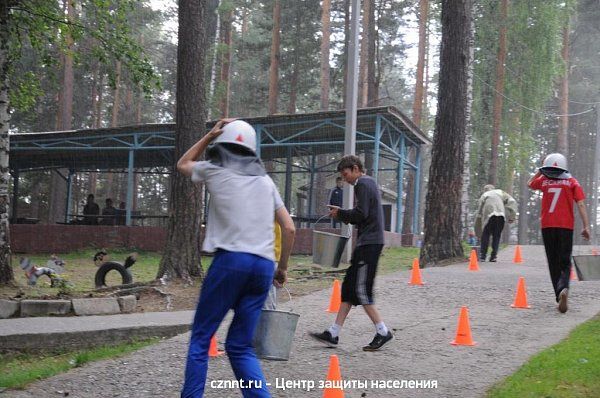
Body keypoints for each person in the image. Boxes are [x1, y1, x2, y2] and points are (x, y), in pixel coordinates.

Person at [177, 119, 295, 397]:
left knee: (201, 339)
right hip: (263, 267)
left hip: (232, 262)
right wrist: (282, 268)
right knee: (241, 347)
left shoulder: (214, 169)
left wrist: (208, 135)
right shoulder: (266, 181)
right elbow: (289, 227)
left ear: (221, 145)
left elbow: (183, 163)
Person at [310, 155, 393, 351]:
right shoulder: (368, 183)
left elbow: (360, 214)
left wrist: (340, 214)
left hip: (370, 244)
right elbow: (362, 213)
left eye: (346, 174)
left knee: (362, 290)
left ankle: (382, 331)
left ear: (355, 168)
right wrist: (343, 212)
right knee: (348, 288)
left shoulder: (362, 184)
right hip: (366, 243)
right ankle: (333, 332)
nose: (345, 179)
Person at [528, 153, 590, 313]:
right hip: (566, 227)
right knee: (565, 261)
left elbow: (530, 184)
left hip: (547, 225)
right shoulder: (571, 182)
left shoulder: (544, 181)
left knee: (553, 261)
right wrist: (586, 226)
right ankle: (564, 287)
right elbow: (581, 204)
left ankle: (558, 293)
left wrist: (540, 170)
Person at [474, 185, 517, 262]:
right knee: (496, 235)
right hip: (500, 215)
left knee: (485, 235)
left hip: (489, 215)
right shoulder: (500, 192)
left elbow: (480, 209)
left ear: (485, 190)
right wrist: (512, 216)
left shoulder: (485, 194)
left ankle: (483, 256)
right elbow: (512, 201)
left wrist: (478, 225)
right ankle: (493, 256)